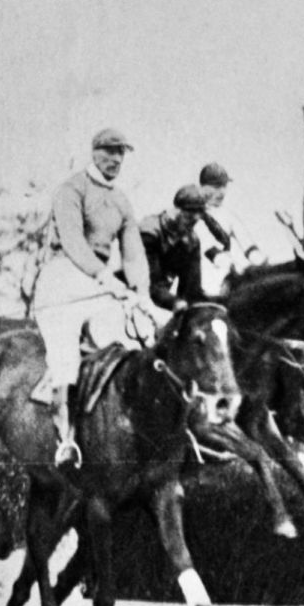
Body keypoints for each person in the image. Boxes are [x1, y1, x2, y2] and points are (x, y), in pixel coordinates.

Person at [32, 127, 151, 466]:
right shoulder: (71, 189)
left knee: (134, 340)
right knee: (66, 353)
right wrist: (103, 277)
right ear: (94, 151)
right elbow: (72, 241)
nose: (115, 159)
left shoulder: (121, 200)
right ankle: (64, 437)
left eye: (121, 153)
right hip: (62, 279)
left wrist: (140, 293)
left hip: (97, 284)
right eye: (109, 151)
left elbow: (133, 255)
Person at [139, 185, 209, 312]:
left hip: (157, 302)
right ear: (176, 210)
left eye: (195, 222)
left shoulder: (192, 242)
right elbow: (151, 285)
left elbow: (191, 291)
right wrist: (175, 302)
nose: (192, 224)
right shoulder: (149, 231)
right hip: (128, 294)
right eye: (189, 218)